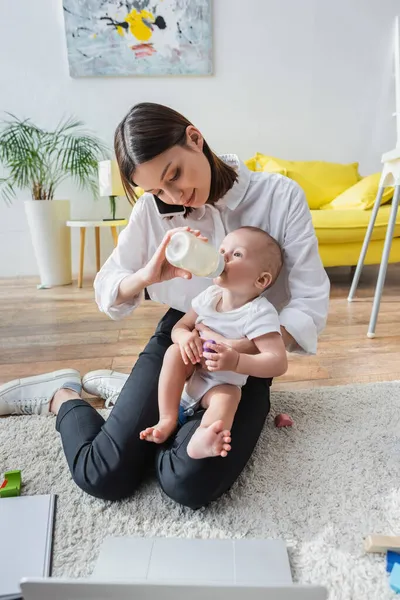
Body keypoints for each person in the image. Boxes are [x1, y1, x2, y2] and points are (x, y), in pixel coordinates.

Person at [0, 103, 330, 508]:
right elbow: (107, 289)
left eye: (174, 174)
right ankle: (63, 396)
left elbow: (310, 300)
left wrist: (240, 351)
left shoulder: (278, 196)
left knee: (188, 484)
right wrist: (146, 278)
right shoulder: (154, 213)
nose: (176, 195)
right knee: (103, 475)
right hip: (183, 334)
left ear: (195, 138)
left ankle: (132, 396)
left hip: (249, 349)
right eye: (157, 189)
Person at [140, 226, 288, 460]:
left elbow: (278, 362)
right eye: (221, 251)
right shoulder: (209, 296)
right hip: (191, 372)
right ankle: (167, 418)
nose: (222, 258)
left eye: (236, 254)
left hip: (222, 383)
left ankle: (205, 436)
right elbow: (180, 327)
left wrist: (237, 361)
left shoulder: (259, 313)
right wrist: (185, 337)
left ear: (261, 279)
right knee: (173, 352)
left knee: (229, 397)